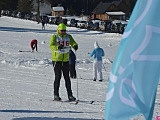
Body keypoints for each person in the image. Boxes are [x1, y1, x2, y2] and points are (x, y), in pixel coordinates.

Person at [49, 23, 78, 101]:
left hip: (65, 60)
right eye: (62, 30)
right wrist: (57, 47)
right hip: (56, 60)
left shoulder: (68, 37)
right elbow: (51, 46)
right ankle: (56, 95)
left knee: (67, 78)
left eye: (64, 30)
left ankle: (70, 95)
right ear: (58, 30)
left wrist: (75, 45)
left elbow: (73, 42)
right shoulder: (54, 37)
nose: (63, 32)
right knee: (58, 77)